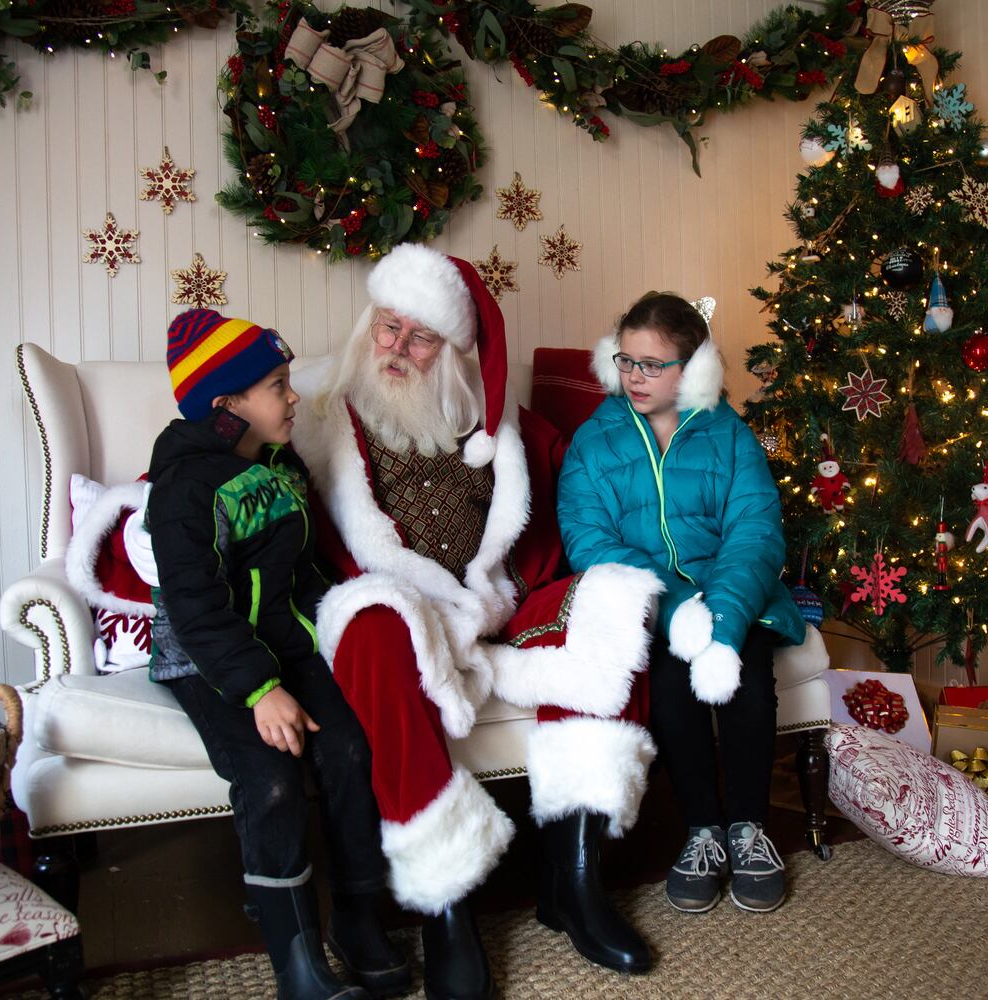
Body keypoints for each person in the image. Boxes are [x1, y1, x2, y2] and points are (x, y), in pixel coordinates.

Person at [290, 246, 665, 999]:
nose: (396, 348)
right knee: (371, 625)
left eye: (419, 336)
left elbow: (552, 523)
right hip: (398, 609)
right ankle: (448, 903)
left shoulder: (502, 428)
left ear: (456, 351)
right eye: (388, 327)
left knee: (614, 601)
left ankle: (576, 881)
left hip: (490, 604)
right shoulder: (321, 418)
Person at [146, 309, 409, 1000]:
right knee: (270, 780)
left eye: (288, 382)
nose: (294, 398)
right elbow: (196, 608)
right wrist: (261, 691)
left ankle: (359, 915)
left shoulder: (278, 464)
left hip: (283, 640)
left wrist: (344, 627)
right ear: (225, 404)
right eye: (276, 385)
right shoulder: (183, 489)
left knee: (351, 748)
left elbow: (308, 567)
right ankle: (297, 960)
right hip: (212, 655)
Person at [557, 293, 811, 915]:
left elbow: (755, 532)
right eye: (626, 361)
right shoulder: (595, 441)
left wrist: (720, 624)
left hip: (732, 593)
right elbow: (589, 540)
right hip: (647, 604)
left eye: (653, 365)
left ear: (691, 368)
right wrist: (676, 612)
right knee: (671, 685)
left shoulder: (729, 433)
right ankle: (702, 830)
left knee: (748, 675)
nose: (635, 378)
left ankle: (748, 828)